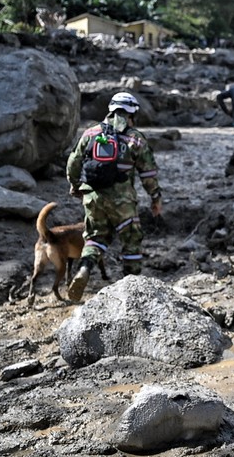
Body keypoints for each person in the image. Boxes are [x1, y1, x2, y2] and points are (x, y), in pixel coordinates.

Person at [65, 92, 162, 302]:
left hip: (93, 197)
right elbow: (148, 174)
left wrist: (75, 186)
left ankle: (84, 270)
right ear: (132, 113)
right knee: (131, 240)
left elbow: (73, 163)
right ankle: (132, 290)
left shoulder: (90, 133)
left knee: (95, 238)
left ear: (110, 110)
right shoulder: (136, 138)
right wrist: (155, 198)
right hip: (123, 201)